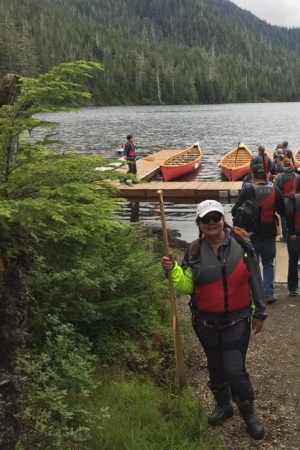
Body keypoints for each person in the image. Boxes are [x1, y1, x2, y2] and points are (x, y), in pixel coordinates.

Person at [161, 200, 266, 440]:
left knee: (234, 370)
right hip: (205, 322)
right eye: (206, 219)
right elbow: (187, 286)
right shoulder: (193, 251)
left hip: (237, 320)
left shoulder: (242, 244)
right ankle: (223, 406)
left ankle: (248, 411)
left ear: (223, 220)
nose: (211, 223)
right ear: (198, 223)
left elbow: (255, 280)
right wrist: (172, 269)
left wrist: (260, 312)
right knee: (215, 366)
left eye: (215, 218)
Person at [232, 164, 286, 304]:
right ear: (265, 174)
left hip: (251, 234)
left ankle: (252, 292)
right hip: (269, 233)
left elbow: (234, 211)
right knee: (268, 263)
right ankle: (268, 293)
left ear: (252, 175)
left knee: (251, 263)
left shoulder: (248, 190)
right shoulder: (275, 190)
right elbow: (283, 211)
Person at [274, 158, 296, 241]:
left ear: (283, 165)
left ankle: (285, 236)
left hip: (283, 199)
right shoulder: (296, 176)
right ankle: (294, 233)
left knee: (283, 217)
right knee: (294, 216)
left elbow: (275, 189)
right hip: (294, 199)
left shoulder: (279, 176)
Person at [285, 175, 300, 296]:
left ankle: (293, 288)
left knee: (293, 261)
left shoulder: (292, 198)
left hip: (295, 234)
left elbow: (289, 215)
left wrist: (291, 232)